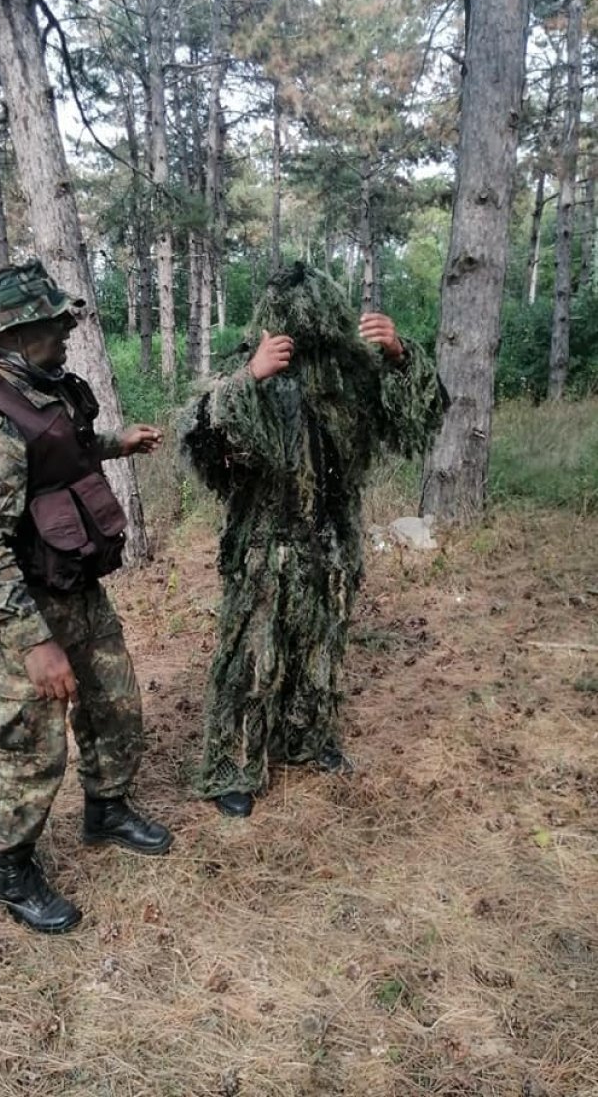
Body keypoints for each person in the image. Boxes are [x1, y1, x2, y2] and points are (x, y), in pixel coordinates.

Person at [0, 260, 172, 935]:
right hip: (20, 608)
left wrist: (114, 444)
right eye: (53, 324)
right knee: (28, 743)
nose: (66, 331)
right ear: (15, 334)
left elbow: (60, 450)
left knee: (114, 703)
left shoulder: (44, 387)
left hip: (74, 585)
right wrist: (35, 643)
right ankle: (12, 871)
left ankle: (108, 810)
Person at [180, 262, 446, 818]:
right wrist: (248, 378)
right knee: (251, 658)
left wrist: (399, 354)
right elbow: (201, 436)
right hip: (264, 543)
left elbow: (417, 419)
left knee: (320, 651)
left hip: (331, 542)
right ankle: (235, 763)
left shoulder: (353, 373)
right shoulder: (250, 364)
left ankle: (305, 738)